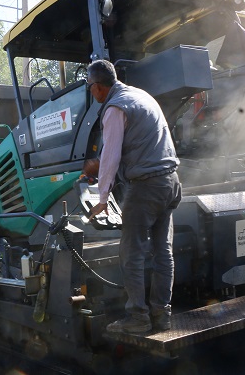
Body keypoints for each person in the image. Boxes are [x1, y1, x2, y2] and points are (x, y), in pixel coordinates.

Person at [87, 59, 182, 333]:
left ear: (98, 86)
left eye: (91, 87)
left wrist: (102, 197)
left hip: (146, 187)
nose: (91, 93)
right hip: (171, 182)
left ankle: (138, 318)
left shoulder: (115, 108)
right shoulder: (142, 96)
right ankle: (162, 315)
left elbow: (110, 155)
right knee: (163, 250)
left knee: (132, 253)